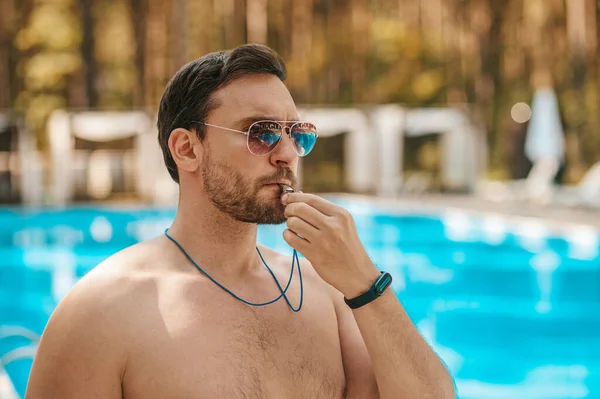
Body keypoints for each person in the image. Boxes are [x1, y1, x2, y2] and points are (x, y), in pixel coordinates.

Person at [25, 44, 455, 398]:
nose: (287, 153)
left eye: (296, 133)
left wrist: (366, 283)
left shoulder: (326, 290)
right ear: (188, 149)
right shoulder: (101, 313)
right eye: (261, 131)